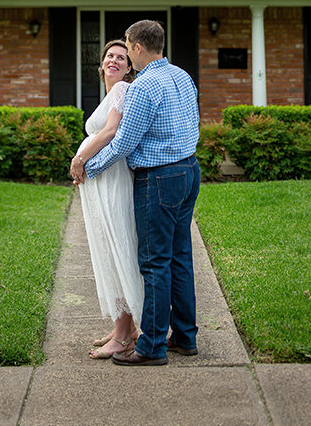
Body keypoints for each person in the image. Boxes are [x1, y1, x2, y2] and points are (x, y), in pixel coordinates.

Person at [71, 19, 200, 366]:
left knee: (154, 261)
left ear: (138, 48)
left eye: (127, 47)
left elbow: (124, 141)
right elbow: (194, 123)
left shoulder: (143, 87)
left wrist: (88, 167)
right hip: (189, 171)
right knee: (179, 256)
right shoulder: (182, 77)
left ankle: (151, 346)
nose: (125, 53)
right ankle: (185, 337)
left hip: (159, 179)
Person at [73, 40, 142, 359]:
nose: (114, 60)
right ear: (101, 64)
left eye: (121, 58)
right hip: (103, 184)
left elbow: (112, 132)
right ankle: (123, 329)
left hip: (113, 183)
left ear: (129, 68)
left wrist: (79, 158)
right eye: (109, 56)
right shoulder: (110, 95)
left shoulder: (122, 91)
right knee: (109, 250)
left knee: (117, 250)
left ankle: (124, 337)